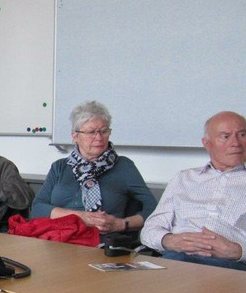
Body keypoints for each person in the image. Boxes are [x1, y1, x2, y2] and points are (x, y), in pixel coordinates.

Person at [31, 101, 156, 237]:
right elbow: (37, 208)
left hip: (101, 241)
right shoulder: (60, 167)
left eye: (104, 131)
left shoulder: (123, 166)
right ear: (75, 136)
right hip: (57, 238)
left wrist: (121, 224)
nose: (99, 138)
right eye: (91, 132)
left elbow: (154, 209)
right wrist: (80, 217)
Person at [140, 111, 246, 271]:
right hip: (177, 258)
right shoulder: (184, 178)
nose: (236, 143)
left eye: (242, 135)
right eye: (225, 136)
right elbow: (149, 230)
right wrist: (169, 240)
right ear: (207, 143)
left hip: (230, 266)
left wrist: (238, 251)